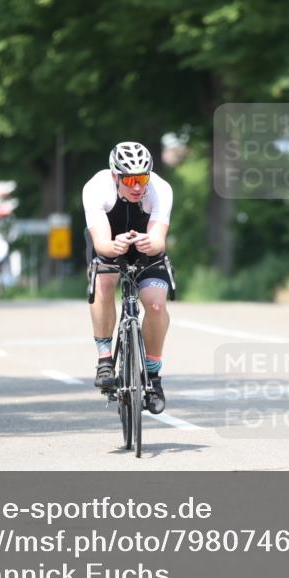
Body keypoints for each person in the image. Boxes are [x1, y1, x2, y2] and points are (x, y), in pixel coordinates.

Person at [83, 141, 173, 414]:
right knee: (105, 281)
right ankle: (105, 359)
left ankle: (153, 376)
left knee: (156, 305)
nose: (137, 186)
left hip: (147, 250)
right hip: (110, 245)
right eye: (130, 179)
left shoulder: (160, 189)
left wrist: (149, 243)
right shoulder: (96, 188)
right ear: (115, 176)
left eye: (142, 178)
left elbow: (159, 240)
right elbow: (101, 244)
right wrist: (115, 246)